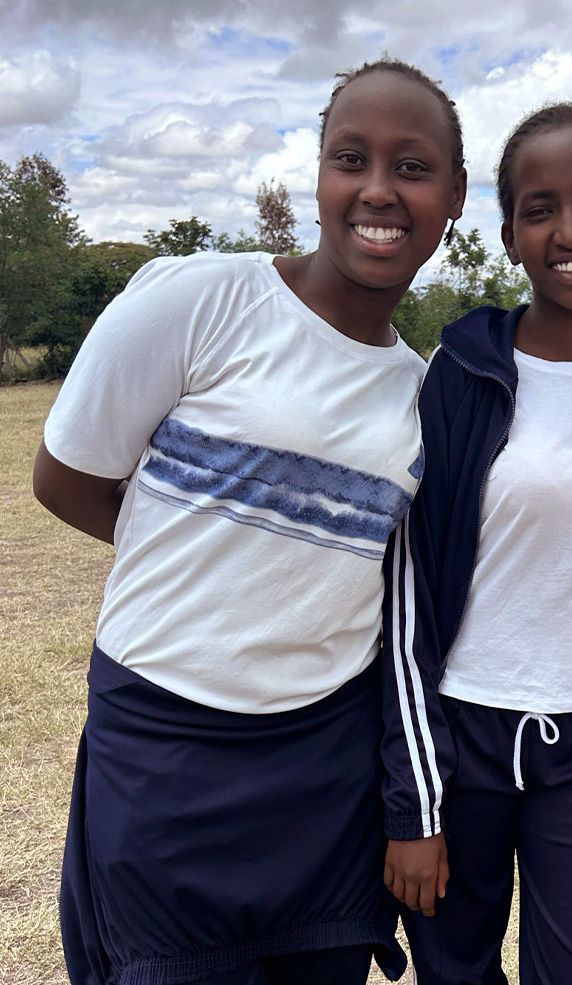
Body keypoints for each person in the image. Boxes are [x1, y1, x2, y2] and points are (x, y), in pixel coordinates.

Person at [32, 58, 466, 985]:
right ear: (319, 175)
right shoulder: (201, 299)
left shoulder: (421, 393)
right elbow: (64, 478)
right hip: (164, 754)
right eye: (352, 158)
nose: (379, 189)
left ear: (455, 197)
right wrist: (212, 558)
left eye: (413, 166)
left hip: (324, 771)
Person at [378, 102, 572, 985]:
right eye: (540, 208)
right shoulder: (463, 374)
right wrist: (415, 797)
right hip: (465, 735)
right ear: (510, 234)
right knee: (455, 971)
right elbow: (409, 588)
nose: (570, 230)